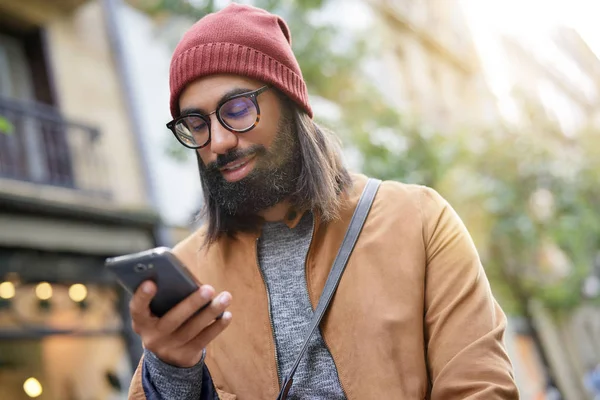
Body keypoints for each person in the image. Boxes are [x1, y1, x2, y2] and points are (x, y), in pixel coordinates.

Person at [127, 4, 519, 399]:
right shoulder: (188, 274)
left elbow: (480, 388)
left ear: (291, 102)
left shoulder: (420, 221)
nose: (219, 141)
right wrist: (171, 369)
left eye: (238, 109)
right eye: (196, 125)